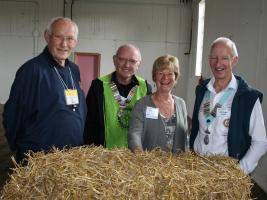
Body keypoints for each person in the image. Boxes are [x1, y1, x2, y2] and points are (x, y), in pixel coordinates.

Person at [3, 17, 87, 163]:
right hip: (40, 160)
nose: (64, 44)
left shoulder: (74, 70)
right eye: (58, 37)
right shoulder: (32, 70)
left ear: (75, 42)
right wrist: (20, 150)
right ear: (47, 36)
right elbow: (12, 115)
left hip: (72, 157)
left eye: (70, 38)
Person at [189, 37, 267, 174]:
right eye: (214, 58)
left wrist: (238, 172)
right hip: (197, 169)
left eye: (225, 58)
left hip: (225, 174)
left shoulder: (248, 97)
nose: (218, 63)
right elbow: (197, 128)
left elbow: (260, 142)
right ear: (209, 60)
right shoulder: (202, 90)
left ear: (234, 60)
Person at [84, 44, 152, 148]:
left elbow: (149, 123)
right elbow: (89, 123)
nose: (126, 65)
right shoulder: (99, 85)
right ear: (115, 60)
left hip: (135, 155)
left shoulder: (146, 87)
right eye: (122, 59)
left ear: (138, 64)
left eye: (132, 61)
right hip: (105, 156)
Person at [128, 55, 188, 153]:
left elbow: (185, 138)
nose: (165, 78)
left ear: (175, 77)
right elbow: (134, 133)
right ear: (154, 77)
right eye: (160, 73)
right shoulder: (142, 104)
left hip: (178, 166)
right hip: (151, 165)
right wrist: (138, 152)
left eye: (170, 74)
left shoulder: (181, 104)